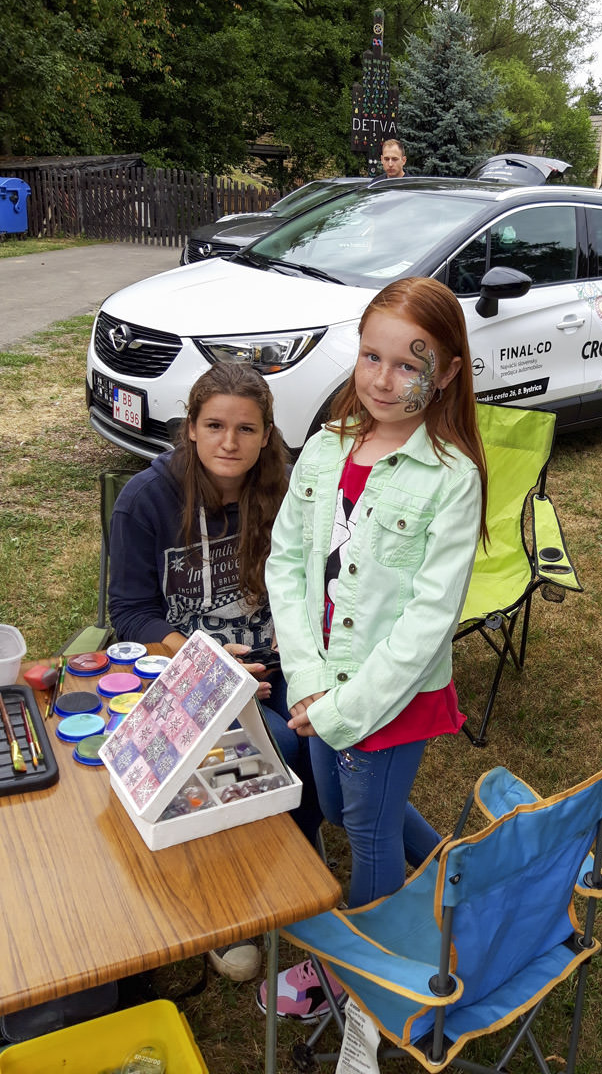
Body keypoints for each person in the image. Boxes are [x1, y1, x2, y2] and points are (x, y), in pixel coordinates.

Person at [261, 276, 487, 1019]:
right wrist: (306, 683)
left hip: (389, 695)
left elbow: (429, 619)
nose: (383, 381)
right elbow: (287, 563)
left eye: (408, 364)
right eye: (371, 357)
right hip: (318, 683)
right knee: (337, 804)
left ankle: (358, 978)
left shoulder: (451, 478)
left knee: (366, 830)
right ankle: (456, 869)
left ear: (446, 373)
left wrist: (344, 709)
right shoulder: (326, 449)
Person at [107, 361, 322, 982]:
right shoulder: (146, 500)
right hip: (190, 667)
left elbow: (315, 577)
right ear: (191, 429)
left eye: (246, 429)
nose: (230, 442)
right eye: (215, 426)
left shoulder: (288, 488)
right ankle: (235, 903)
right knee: (275, 746)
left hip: (281, 656)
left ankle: (296, 862)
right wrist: (203, 658)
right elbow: (131, 612)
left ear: (267, 435)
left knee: (321, 733)